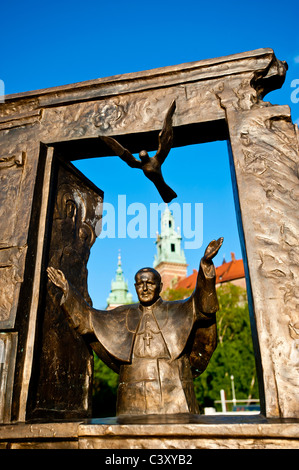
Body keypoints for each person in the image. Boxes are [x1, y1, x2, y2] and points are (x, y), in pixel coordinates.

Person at [47, 237, 223, 416]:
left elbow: (203, 307)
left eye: (150, 283)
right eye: (140, 284)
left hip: (175, 393)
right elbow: (88, 320)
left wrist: (206, 266)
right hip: (133, 395)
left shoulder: (178, 309)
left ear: (160, 286)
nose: (145, 288)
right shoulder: (122, 314)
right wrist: (68, 291)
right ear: (134, 287)